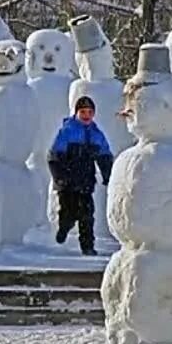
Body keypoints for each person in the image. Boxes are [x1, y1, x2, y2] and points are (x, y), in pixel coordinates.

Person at [48, 96, 113, 255]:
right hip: (67, 181)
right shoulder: (68, 131)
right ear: (76, 113)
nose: (86, 115)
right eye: (82, 112)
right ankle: (64, 226)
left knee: (87, 215)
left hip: (85, 181)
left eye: (90, 112)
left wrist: (108, 175)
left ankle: (88, 246)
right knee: (69, 212)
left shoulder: (96, 134)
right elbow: (54, 156)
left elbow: (104, 156)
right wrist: (59, 176)